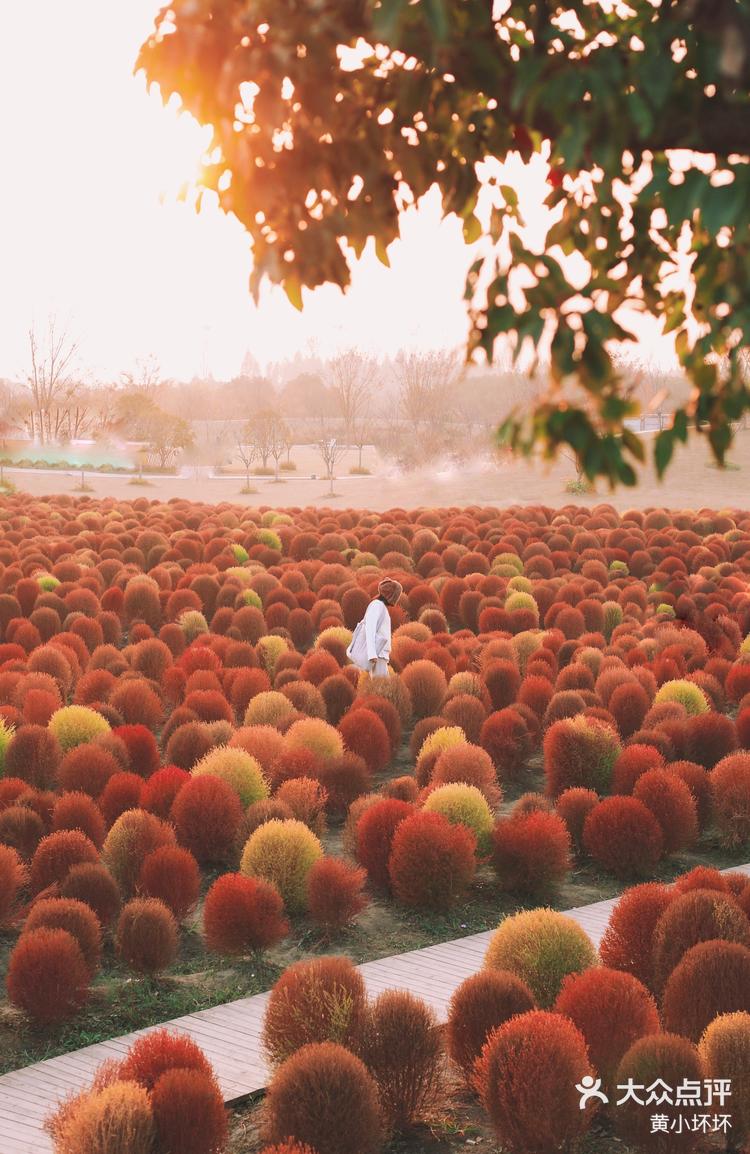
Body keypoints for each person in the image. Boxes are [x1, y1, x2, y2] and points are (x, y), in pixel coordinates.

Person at [346, 577, 403, 676]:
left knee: (384, 686)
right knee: (381, 686)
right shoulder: (377, 606)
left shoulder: (380, 606)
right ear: (391, 596)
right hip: (378, 654)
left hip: (380, 654)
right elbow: (370, 628)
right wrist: (372, 653)